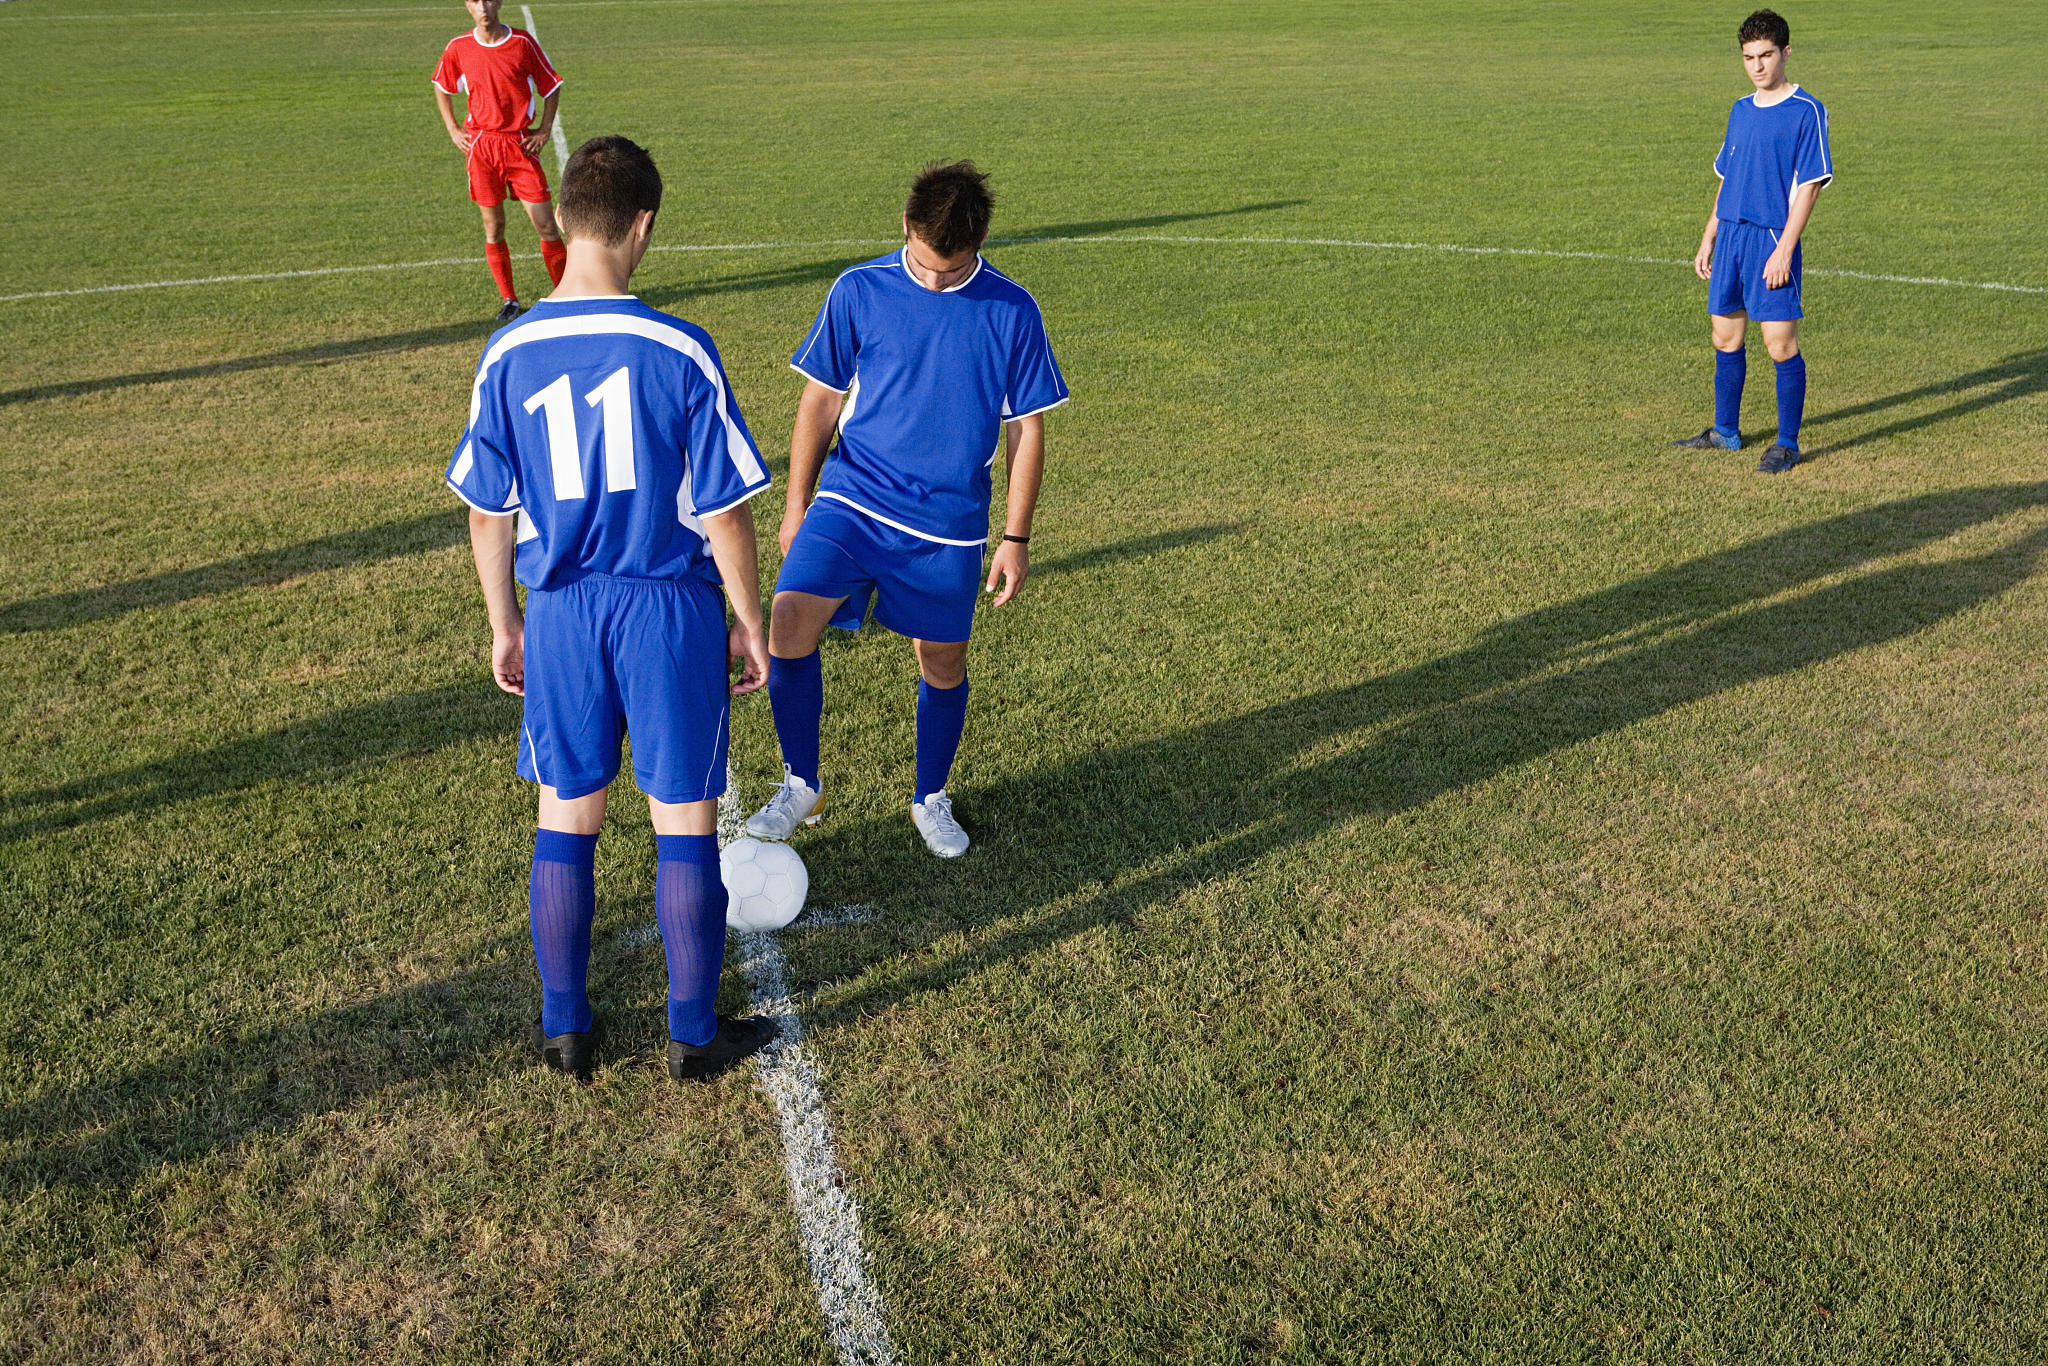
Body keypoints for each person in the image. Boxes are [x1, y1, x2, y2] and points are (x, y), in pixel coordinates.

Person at [445, 135, 777, 1082]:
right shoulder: (679, 347)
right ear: (642, 226)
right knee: (683, 819)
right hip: (665, 604)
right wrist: (747, 621)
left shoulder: (505, 351)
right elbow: (723, 511)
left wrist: (506, 623)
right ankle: (691, 1033)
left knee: (568, 812)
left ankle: (567, 1030)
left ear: (560, 219)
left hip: (559, 610)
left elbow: (487, 511)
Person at [743, 161, 1069, 859]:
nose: (936, 280)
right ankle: (802, 782)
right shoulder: (860, 289)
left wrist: (1015, 537)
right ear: (906, 229)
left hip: (946, 524)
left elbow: (1028, 428)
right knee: (789, 621)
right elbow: (821, 399)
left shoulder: (1013, 310)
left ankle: (930, 796)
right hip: (852, 497)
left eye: (952, 271)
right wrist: (796, 502)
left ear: (978, 246)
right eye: (924, 264)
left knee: (942, 662)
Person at [1672, 8, 1832, 474]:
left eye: (1765, 55)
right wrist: (1708, 236)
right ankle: (1725, 432)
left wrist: (1784, 247)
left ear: (1786, 52)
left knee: (1780, 344)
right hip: (1731, 239)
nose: (1757, 66)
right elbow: (1729, 176)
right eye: (1748, 57)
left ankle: (1786, 443)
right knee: (1725, 337)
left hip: (1769, 240)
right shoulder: (1740, 110)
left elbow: (1809, 186)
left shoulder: (1807, 111)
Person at [433, 0, 569, 321]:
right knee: (494, 227)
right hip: (482, 149)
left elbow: (552, 85)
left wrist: (545, 129)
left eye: (488, 0)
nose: (482, 7)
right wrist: (453, 128)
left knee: (547, 225)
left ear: (499, 3)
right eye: (475, 1)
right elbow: (441, 85)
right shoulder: (459, 48)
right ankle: (509, 299)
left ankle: (566, 296)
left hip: (520, 145)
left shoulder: (522, 43)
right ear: (467, 5)